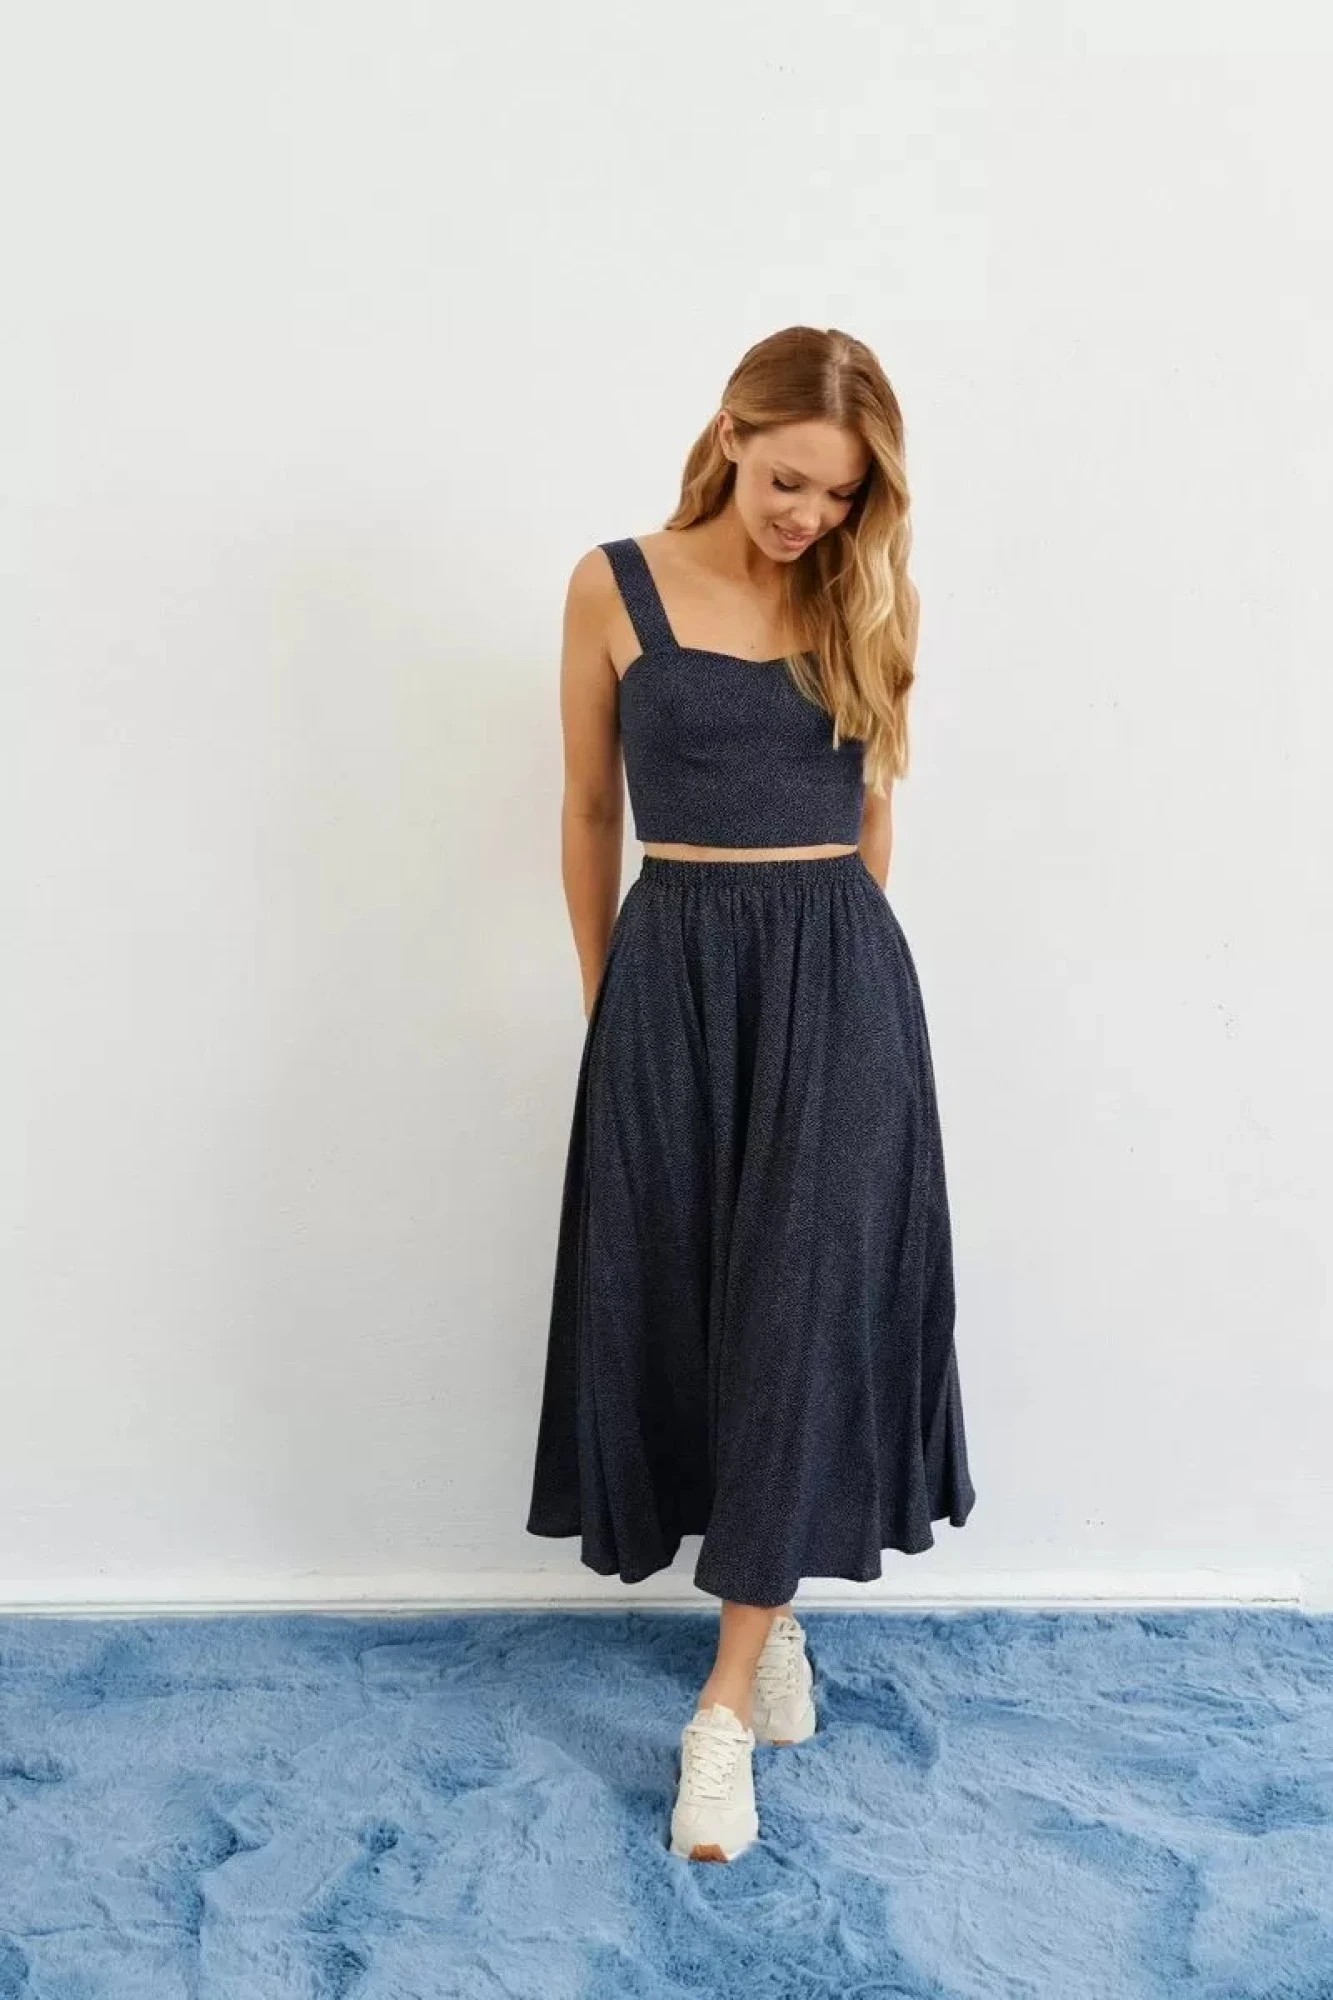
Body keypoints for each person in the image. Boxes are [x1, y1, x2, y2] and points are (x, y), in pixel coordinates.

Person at [524, 324, 977, 1862]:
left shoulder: (869, 592)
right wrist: (612, 1004)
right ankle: (769, 1612)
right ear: (731, 433)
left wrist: (839, 1000)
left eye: (841, 496)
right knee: (694, 1312)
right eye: (791, 481)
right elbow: (589, 809)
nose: (810, 517)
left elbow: (871, 824)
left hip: (837, 985)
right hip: (671, 976)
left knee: (796, 1317)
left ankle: (720, 1707)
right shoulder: (612, 586)